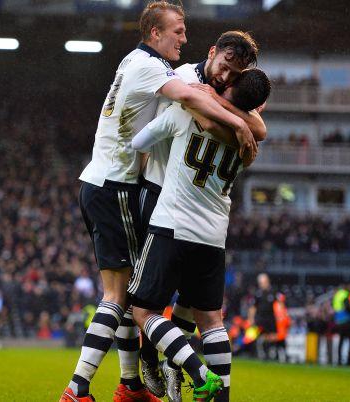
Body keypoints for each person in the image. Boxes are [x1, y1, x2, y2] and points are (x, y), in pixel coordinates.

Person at [61, 2, 260, 400]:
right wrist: (237, 121)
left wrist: (230, 110)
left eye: (235, 75)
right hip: (142, 192)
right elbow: (201, 108)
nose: (185, 38)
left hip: (154, 197)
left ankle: (142, 377)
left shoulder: (190, 81)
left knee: (149, 300)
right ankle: (117, 381)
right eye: (178, 31)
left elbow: (231, 117)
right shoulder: (173, 74)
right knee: (132, 298)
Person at [129, 69, 271, 402]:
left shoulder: (186, 111)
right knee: (211, 321)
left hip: (172, 225)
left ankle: (198, 372)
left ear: (230, 86)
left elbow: (139, 142)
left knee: (143, 312)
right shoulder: (246, 139)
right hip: (213, 236)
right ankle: (221, 396)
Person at [248, 273, 278, 361]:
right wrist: (251, 319)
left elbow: (279, 306)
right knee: (258, 336)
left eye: (263, 282)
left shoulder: (274, 292)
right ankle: (260, 354)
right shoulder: (257, 294)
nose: (261, 284)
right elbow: (252, 307)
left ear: (267, 282)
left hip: (271, 318)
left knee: (272, 337)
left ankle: (271, 354)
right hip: (260, 319)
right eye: (260, 283)